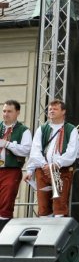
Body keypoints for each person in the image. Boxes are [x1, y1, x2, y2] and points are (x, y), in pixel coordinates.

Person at [24, 99, 79, 217]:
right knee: (43, 207)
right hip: (43, 171)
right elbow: (35, 150)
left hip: (61, 171)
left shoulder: (71, 129)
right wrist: (36, 168)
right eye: (50, 109)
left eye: (55, 109)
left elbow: (72, 153)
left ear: (63, 111)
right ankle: (46, 234)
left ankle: (58, 233)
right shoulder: (42, 129)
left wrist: (56, 164)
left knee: (60, 206)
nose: (51, 111)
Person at [0, 100, 32, 233]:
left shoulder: (23, 130)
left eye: (9, 111)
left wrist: (7, 144)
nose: (6, 114)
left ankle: (3, 236)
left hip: (11, 170)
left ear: (17, 112)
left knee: (6, 203)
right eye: (4, 111)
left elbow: (26, 150)